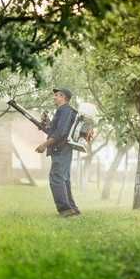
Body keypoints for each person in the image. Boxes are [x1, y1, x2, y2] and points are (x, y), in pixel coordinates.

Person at [35, 88, 80, 217]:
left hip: (61, 148)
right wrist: (47, 122)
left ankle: (65, 210)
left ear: (63, 97)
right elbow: (55, 129)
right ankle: (72, 209)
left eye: (56, 95)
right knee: (64, 178)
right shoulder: (64, 111)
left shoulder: (64, 110)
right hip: (64, 148)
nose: (54, 97)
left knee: (56, 177)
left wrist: (44, 145)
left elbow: (61, 132)